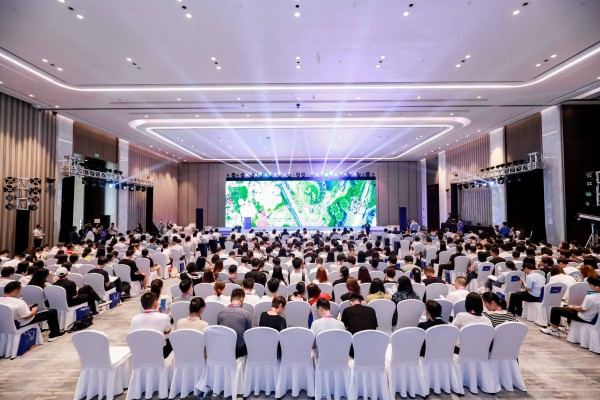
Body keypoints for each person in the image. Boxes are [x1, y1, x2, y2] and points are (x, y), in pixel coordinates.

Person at [0, 281, 65, 341]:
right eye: (20, 290)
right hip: (21, 322)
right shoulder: (19, 302)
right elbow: (27, 317)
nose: (20, 292)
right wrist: (34, 310)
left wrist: (27, 307)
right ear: (15, 291)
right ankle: (54, 335)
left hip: (5, 324)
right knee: (52, 312)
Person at [130, 292, 172, 357]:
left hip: (141, 351)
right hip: (159, 351)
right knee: (171, 339)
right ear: (155, 303)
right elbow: (167, 331)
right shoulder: (164, 317)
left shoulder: (134, 319)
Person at [217, 288, 252, 357]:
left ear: (231, 299)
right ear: (242, 299)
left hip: (224, 348)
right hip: (239, 351)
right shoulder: (246, 314)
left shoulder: (220, 313)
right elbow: (248, 335)